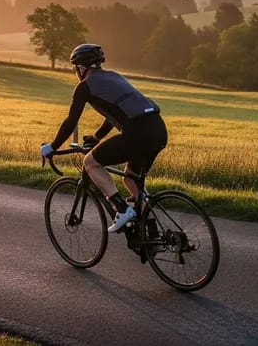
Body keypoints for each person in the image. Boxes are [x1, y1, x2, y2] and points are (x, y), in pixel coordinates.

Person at [40, 43, 168, 233]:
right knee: (132, 180)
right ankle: (155, 234)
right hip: (158, 129)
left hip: (136, 133)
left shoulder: (84, 86)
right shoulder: (115, 76)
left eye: (76, 68)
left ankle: (122, 210)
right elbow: (115, 112)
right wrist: (97, 136)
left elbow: (71, 120)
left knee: (90, 162)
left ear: (81, 68)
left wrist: (52, 146)